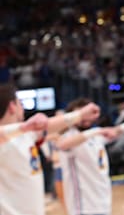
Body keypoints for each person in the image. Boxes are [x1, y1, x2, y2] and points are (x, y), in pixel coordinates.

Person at [0, 83, 100, 215]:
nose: (22, 107)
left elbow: (49, 126)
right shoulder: (10, 137)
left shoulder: (27, 136)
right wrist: (25, 127)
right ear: (12, 106)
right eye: (20, 103)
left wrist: (81, 114)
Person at [57, 98, 124, 215]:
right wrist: (97, 131)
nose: (85, 118)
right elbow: (62, 145)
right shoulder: (70, 136)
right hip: (83, 208)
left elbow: (114, 132)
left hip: (102, 202)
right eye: (82, 114)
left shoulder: (95, 135)